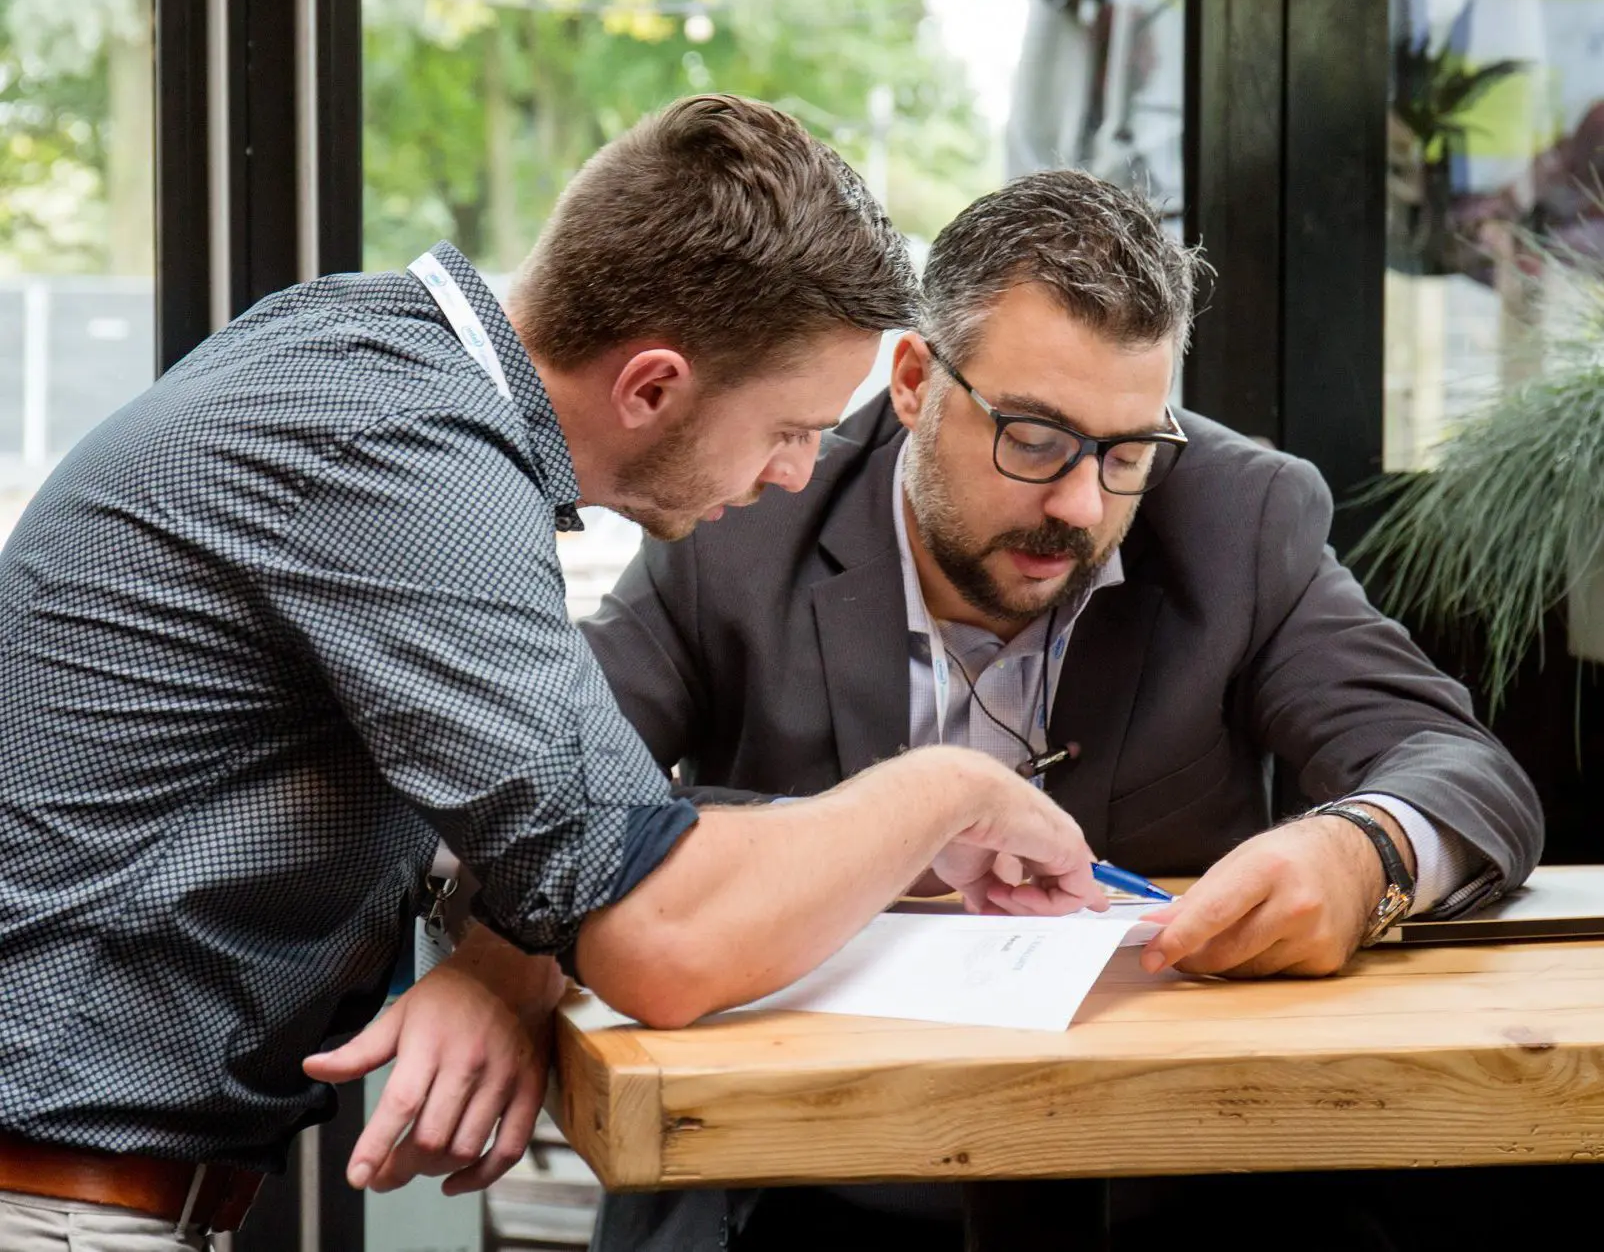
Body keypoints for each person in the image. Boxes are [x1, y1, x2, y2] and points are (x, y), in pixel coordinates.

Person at [0, 96, 1104, 1250]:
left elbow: (594, 827)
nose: (792, 475)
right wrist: (948, 788)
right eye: (788, 428)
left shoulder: (361, 359)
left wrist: (521, 957)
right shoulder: (402, 454)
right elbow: (660, 938)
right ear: (652, 386)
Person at [577, 168, 1545, 1252]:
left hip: (1163, 1176)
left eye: (1125, 452)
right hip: (807, 1178)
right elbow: (557, 789)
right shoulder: (743, 511)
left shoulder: (1237, 513)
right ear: (910, 382)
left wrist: (1361, 855)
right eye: (1032, 440)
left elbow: (1451, 763)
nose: (1081, 507)